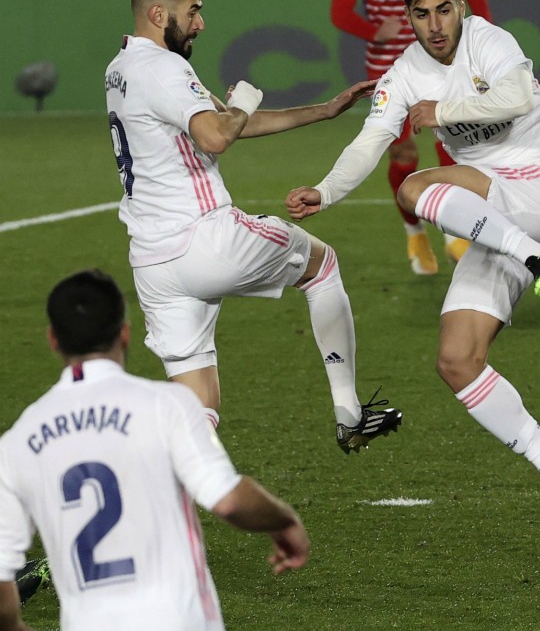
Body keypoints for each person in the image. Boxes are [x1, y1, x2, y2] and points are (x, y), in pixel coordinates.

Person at [287, 0, 540, 551]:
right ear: (409, 17)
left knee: (415, 187)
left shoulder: (490, 40)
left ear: (460, 4)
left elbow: (514, 96)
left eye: (443, 9)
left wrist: (446, 112)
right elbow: (368, 141)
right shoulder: (403, 74)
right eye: (421, 14)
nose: (435, 25)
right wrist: (325, 190)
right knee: (457, 360)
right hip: (494, 221)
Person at [105, 0, 400, 453]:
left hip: (153, 264)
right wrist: (241, 103)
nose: (200, 23)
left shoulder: (122, 67)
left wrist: (323, 110)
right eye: (193, 11)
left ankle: (147, 488)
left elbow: (224, 123)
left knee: (198, 411)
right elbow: (220, 132)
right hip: (206, 238)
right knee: (321, 265)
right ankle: (349, 413)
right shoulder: (163, 67)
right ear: (159, 14)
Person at [0, 269, 309, 631]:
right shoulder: (168, 405)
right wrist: (285, 520)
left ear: (53, 339)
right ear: (125, 333)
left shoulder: (18, 441)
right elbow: (230, 502)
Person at [332, 0, 491, 275]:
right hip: (389, 67)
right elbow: (339, 11)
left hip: (444, 58)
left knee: (454, 142)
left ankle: (452, 229)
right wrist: (373, 31)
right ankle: (415, 232)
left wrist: (485, 33)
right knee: (403, 152)